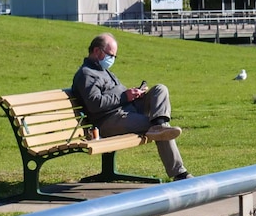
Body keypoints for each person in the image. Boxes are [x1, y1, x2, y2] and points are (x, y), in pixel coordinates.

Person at [72, 33, 191, 181]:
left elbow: (117, 95)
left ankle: (158, 124)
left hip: (127, 109)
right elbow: (95, 104)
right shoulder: (86, 74)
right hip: (109, 120)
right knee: (163, 130)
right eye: (110, 55)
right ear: (97, 51)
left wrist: (134, 94)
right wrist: (124, 97)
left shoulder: (103, 71)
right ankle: (180, 174)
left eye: (114, 56)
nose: (112, 59)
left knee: (160, 89)